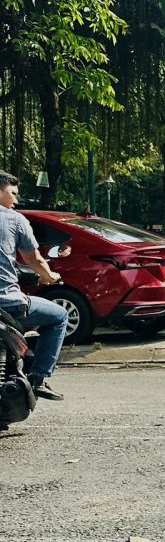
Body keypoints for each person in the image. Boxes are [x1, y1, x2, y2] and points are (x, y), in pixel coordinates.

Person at [0, 170, 68, 401]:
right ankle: (39, 377)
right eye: (13, 193)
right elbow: (33, 259)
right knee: (59, 316)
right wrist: (49, 276)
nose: (16, 200)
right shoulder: (13, 219)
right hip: (8, 305)